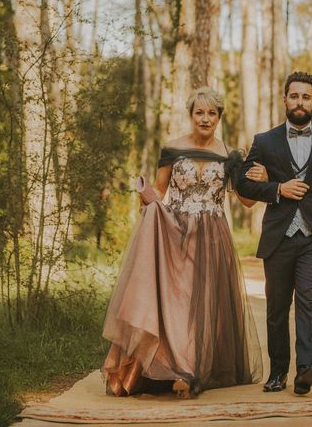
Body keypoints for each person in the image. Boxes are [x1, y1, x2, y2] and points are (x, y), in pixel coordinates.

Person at [101, 87, 264, 398]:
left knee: (202, 304)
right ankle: (174, 368)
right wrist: (145, 198)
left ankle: (192, 372)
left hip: (213, 238)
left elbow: (245, 201)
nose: (205, 118)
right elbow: (159, 193)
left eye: (211, 113)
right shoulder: (172, 149)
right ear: (191, 116)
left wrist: (259, 177)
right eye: (199, 113)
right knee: (177, 304)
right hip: (177, 234)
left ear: (219, 117)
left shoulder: (231, 155)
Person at [236, 71, 312, 395]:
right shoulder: (265, 141)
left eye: (306, 96)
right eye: (294, 96)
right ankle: (277, 372)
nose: (299, 102)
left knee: (308, 300)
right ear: (285, 99)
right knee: (276, 308)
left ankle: (306, 368)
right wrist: (277, 188)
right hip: (279, 238)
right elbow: (242, 184)